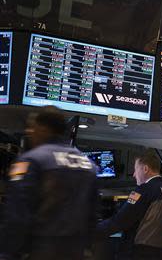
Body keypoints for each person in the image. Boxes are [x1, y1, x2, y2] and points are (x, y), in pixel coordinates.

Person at [0, 106, 97, 260]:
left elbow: (18, 213)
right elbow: (92, 216)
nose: (29, 132)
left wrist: (7, 253)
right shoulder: (89, 165)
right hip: (76, 251)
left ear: (43, 128)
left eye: (32, 127)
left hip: (40, 250)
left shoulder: (31, 160)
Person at [96, 150, 162, 260]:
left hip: (138, 253)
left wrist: (91, 230)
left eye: (135, 169)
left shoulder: (144, 190)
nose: (133, 175)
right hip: (161, 253)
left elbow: (121, 220)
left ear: (145, 169)